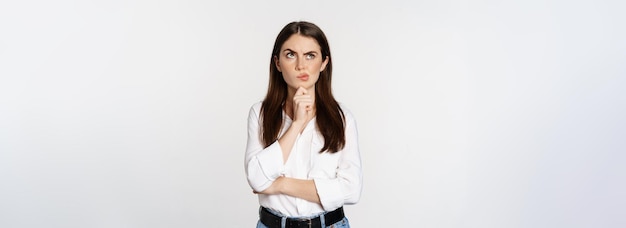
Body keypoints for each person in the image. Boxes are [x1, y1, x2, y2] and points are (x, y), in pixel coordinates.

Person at [244, 21, 363, 228]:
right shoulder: (260, 114)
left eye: (310, 55)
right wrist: (297, 124)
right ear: (278, 63)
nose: (301, 65)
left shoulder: (342, 118)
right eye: (290, 55)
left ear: (324, 63)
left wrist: (281, 184)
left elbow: (352, 190)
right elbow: (256, 179)